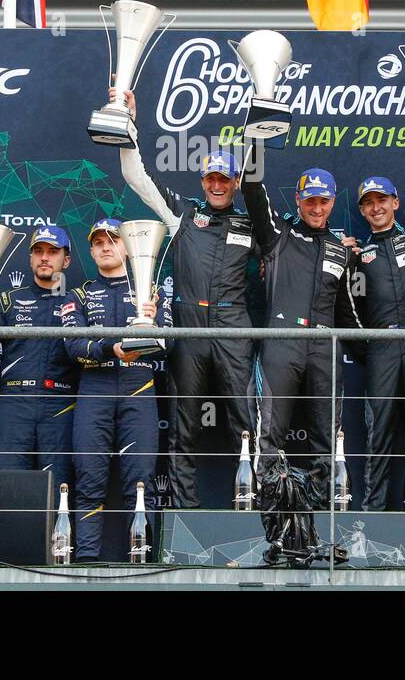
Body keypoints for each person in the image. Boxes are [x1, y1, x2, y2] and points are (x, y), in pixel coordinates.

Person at [117, 89, 258, 509]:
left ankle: (259, 516)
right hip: (188, 329)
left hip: (235, 330)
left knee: (247, 427)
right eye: (210, 178)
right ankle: (183, 521)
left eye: (224, 179)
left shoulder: (254, 224)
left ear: (235, 183)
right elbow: (136, 177)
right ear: (203, 181)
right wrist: (128, 127)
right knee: (184, 429)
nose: (216, 185)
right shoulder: (182, 213)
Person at [242, 143, 361, 475]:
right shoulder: (279, 233)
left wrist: (374, 349)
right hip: (282, 343)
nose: (317, 208)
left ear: (333, 202)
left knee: (327, 440)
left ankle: (324, 517)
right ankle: (265, 514)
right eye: (310, 201)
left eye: (324, 201)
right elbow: (251, 189)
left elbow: (346, 311)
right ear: (298, 200)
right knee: (269, 437)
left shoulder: (341, 251)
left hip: (325, 348)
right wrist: (257, 139)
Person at [65, 218, 170, 562]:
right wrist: (110, 349)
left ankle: (143, 562)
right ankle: (86, 560)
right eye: (98, 242)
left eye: (112, 240)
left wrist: (152, 323)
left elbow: (169, 344)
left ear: (126, 246)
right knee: (89, 479)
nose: (106, 246)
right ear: (91, 251)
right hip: (94, 390)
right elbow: (74, 347)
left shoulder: (150, 291)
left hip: (138, 388)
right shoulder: (78, 295)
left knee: (140, 482)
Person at [349, 176, 405, 511]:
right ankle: (372, 521)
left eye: (382, 200)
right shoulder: (358, 256)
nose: (377, 207)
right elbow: (349, 311)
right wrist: (371, 349)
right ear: (362, 209)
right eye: (369, 202)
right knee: (378, 435)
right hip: (382, 347)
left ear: (396, 202)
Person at [0, 224, 81, 483]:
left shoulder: (77, 301)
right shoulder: (7, 300)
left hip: (60, 402)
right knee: (6, 484)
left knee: (58, 486)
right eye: (38, 251)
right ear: (30, 257)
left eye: (53, 251)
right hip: (14, 402)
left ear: (67, 259)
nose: (45, 257)